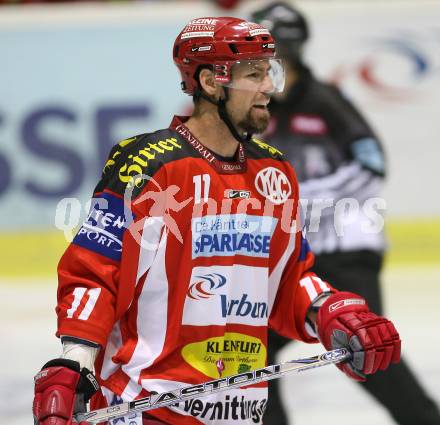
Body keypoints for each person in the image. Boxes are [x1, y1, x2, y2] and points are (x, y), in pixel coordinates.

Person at [32, 16, 401, 425]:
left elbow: (288, 276)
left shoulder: (273, 171)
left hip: (242, 412)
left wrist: (329, 308)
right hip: (147, 408)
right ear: (210, 83)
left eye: (270, 72)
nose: (269, 88)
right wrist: (75, 361)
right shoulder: (149, 164)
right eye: (254, 74)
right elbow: (96, 271)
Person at [249, 3, 440, 425]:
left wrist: (306, 196)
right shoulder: (256, 112)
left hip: (347, 250)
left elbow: (371, 163)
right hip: (296, 257)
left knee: (364, 352)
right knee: (252, 353)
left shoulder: (324, 100)